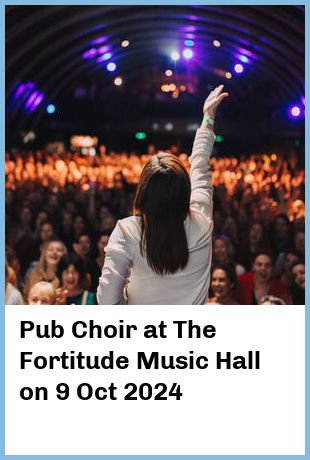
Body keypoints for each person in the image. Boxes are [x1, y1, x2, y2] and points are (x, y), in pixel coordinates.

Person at [97, 85, 229, 304]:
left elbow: (107, 302)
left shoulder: (128, 230)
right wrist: (207, 119)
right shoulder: (201, 221)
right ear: (184, 192)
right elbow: (200, 170)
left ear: (143, 192)